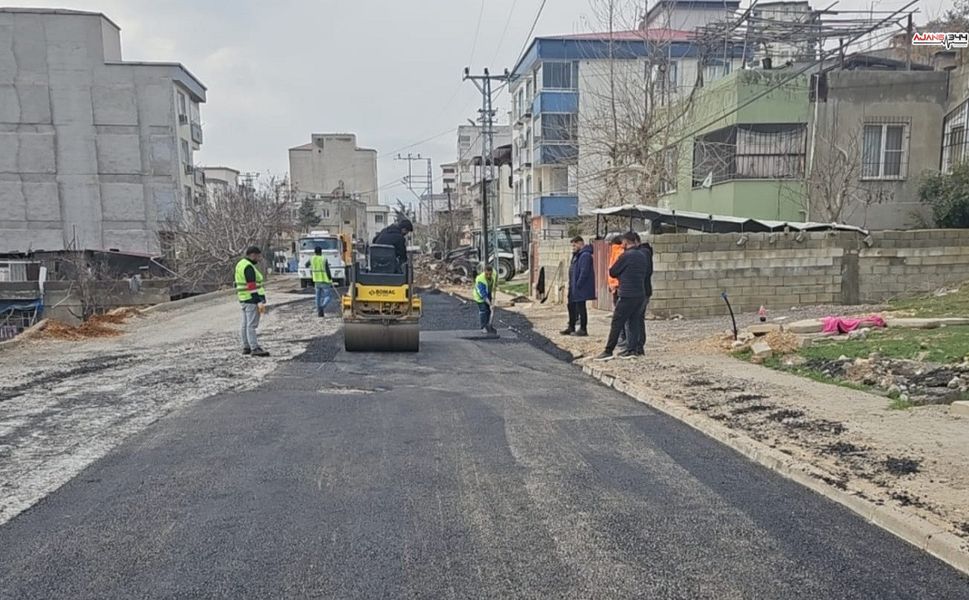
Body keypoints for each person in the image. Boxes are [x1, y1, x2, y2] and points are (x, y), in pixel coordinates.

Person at [594, 232, 648, 362]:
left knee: (617, 322)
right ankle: (632, 349)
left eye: (623, 242)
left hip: (627, 294)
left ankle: (608, 350)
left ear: (626, 242)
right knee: (634, 321)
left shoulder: (625, 256)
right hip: (640, 294)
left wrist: (622, 275)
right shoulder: (643, 255)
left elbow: (613, 271)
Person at [235, 246, 269, 357]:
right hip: (251, 299)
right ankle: (254, 348)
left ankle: (246, 346)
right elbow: (252, 286)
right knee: (252, 325)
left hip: (243, 298)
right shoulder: (248, 267)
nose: (259, 258)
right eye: (258, 256)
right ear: (253, 255)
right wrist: (258, 300)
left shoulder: (240, 264)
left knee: (245, 324)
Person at [561, 236, 595, 337]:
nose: (573, 247)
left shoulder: (585, 255)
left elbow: (584, 272)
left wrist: (578, 284)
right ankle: (571, 326)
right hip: (573, 286)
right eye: (572, 245)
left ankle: (583, 329)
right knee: (571, 306)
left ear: (580, 243)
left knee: (581, 307)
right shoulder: (577, 255)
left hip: (580, 287)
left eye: (575, 245)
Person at [627, 233, 654, 357]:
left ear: (636, 241)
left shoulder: (643, 253)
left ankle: (637, 346)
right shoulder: (643, 253)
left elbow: (645, 272)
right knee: (637, 318)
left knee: (636, 318)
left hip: (642, 291)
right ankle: (636, 346)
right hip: (641, 290)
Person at [606, 235, 626, 348]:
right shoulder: (618, 252)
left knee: (620, 314)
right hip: (616, 286)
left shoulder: (618, 253)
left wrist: (613, 285)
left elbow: (613, 271)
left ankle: (623, 337)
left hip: (617, 287)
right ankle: (622, 336)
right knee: (620, 314)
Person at [307, 246, 334, 318]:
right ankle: (322, 307)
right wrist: (330, 278)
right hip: (324, 280)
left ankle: (319, 312)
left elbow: (306, 265)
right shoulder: (323, 259)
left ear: (314, 252)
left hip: (316, 281)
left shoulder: (312, 259)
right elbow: (327, 270)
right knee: (328, 296)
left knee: (318, 297)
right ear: (321, 251)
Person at [473, 263, 499, 335]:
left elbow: (495, 281)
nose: (488, 276)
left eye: (490, 274)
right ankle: (483, 327)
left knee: (489, 311)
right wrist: (490, 304)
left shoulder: (494, 274)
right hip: (480, 296)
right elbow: (483, 295)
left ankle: (489, 326)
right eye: (486, 274)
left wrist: (495, 283)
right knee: (484, 311)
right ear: (484, 272)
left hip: (489, 293)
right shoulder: (480, 280)